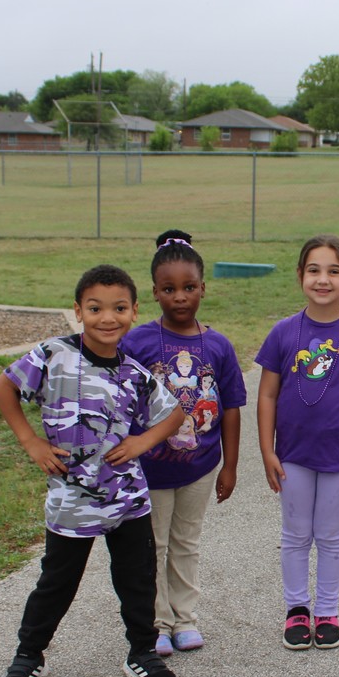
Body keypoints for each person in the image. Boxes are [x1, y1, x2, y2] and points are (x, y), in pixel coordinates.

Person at [0, 265, 185, 677]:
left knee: (137, 578)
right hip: (71, 500)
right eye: (95, 308)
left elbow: (174, 415)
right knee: (57, 580)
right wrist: (31, 443)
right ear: (78, 310)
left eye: (119, 308)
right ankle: (29, 655)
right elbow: (3, 388)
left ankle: (142, 652)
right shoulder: (51, 355)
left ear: (134, 311)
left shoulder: (135, 374)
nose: (107, 318)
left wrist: (141, 443)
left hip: (127, 500)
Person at [256, 234, 339, 650]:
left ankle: (328, 610)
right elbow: (267, 395)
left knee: (331, 536)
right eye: (314, 270)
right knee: (295, 534)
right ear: (300, 276)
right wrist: (266, 451)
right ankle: (297, 610)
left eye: (333, 271)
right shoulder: (283, 332)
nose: (323, 280)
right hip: (292, 455)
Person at [121, 231, 246, 655]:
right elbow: (118, 399)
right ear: (153, 292)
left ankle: (186, 618)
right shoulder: (135, 342)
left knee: (187, 541)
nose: (180, 297)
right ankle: (156, 623)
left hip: (200, 466)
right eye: (169, 289)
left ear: (203, 289)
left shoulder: (218, 346)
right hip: (150, 467)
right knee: (152, 544)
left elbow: (230, 409)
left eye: (189, 288)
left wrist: (229, 466)